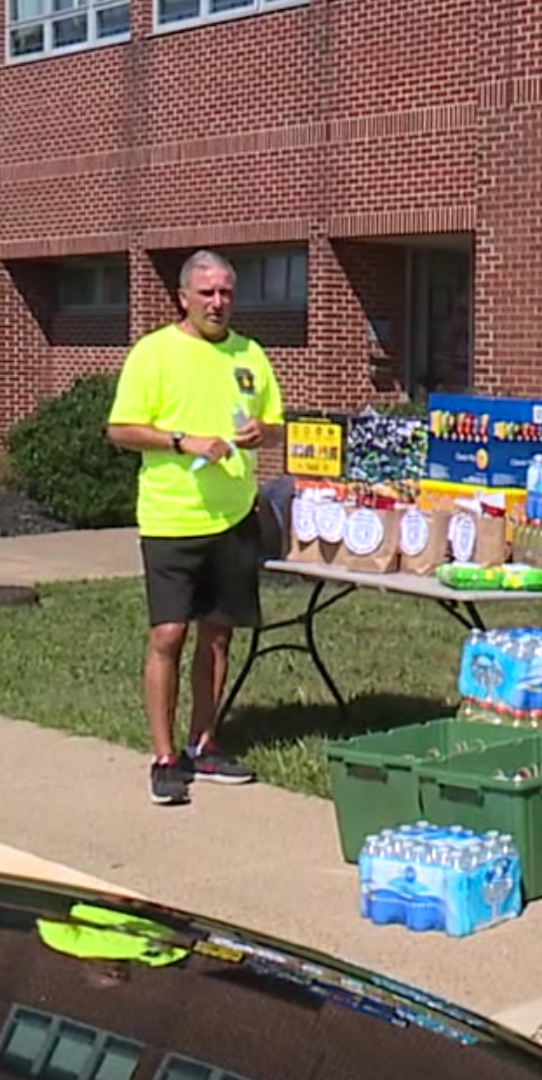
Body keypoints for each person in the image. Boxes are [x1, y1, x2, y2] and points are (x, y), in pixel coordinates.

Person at [107, 249, 285, 806]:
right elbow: (121, 429)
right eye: (206, 292)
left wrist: (264, 433)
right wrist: (183, 441)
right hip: (171, 516)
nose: (218, 302)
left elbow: (277, 427)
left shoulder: (250, 354)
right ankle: (163, 758)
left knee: (218, 633)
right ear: (183, 297)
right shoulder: (154, 352)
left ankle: (201, 745)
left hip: (234, 518)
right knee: (168, 634)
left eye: (226, 292)